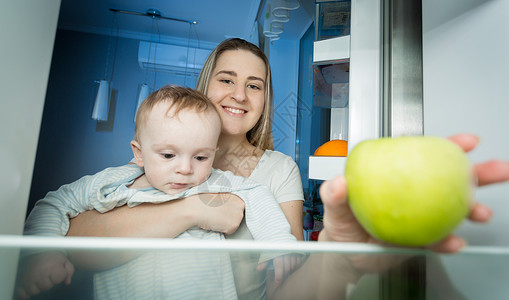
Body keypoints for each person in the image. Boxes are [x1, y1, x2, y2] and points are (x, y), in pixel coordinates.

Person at [22, 37, 509, 298]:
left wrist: (311, 254)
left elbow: (288, 270)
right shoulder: (142, 169)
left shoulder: (271, 173)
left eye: (255, 85)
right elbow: (75, 239)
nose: (239, 94)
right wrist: (193, 211)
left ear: (266, 99)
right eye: (227, 79)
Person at [17, 85, 299, 299]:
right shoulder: (113, 183)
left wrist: (277, 240)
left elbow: (256, 191)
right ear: (139, 153)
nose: (185, 169)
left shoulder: (212, 181)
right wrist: (42, 252)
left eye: (201, 157)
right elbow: (54, 203)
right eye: (168, 155)